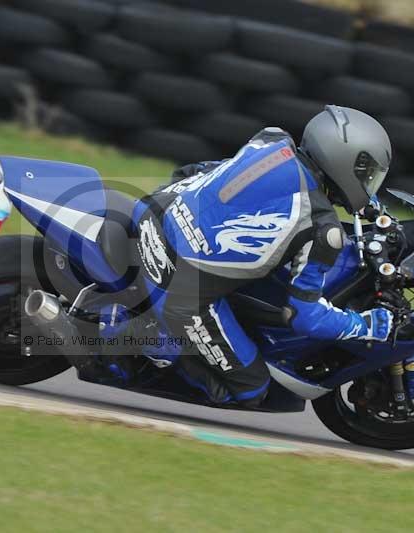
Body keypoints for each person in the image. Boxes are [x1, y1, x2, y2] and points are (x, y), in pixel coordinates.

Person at [126, 105, 394, 406]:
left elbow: (197, 171)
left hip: (150, 212)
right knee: (251, 389)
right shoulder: (323, 227)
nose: (368, 183)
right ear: (343, 162)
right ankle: (149, 341)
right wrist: (363, 326)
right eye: (366, 174)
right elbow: (303, 316)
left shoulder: (272, 142)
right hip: (176, 282)